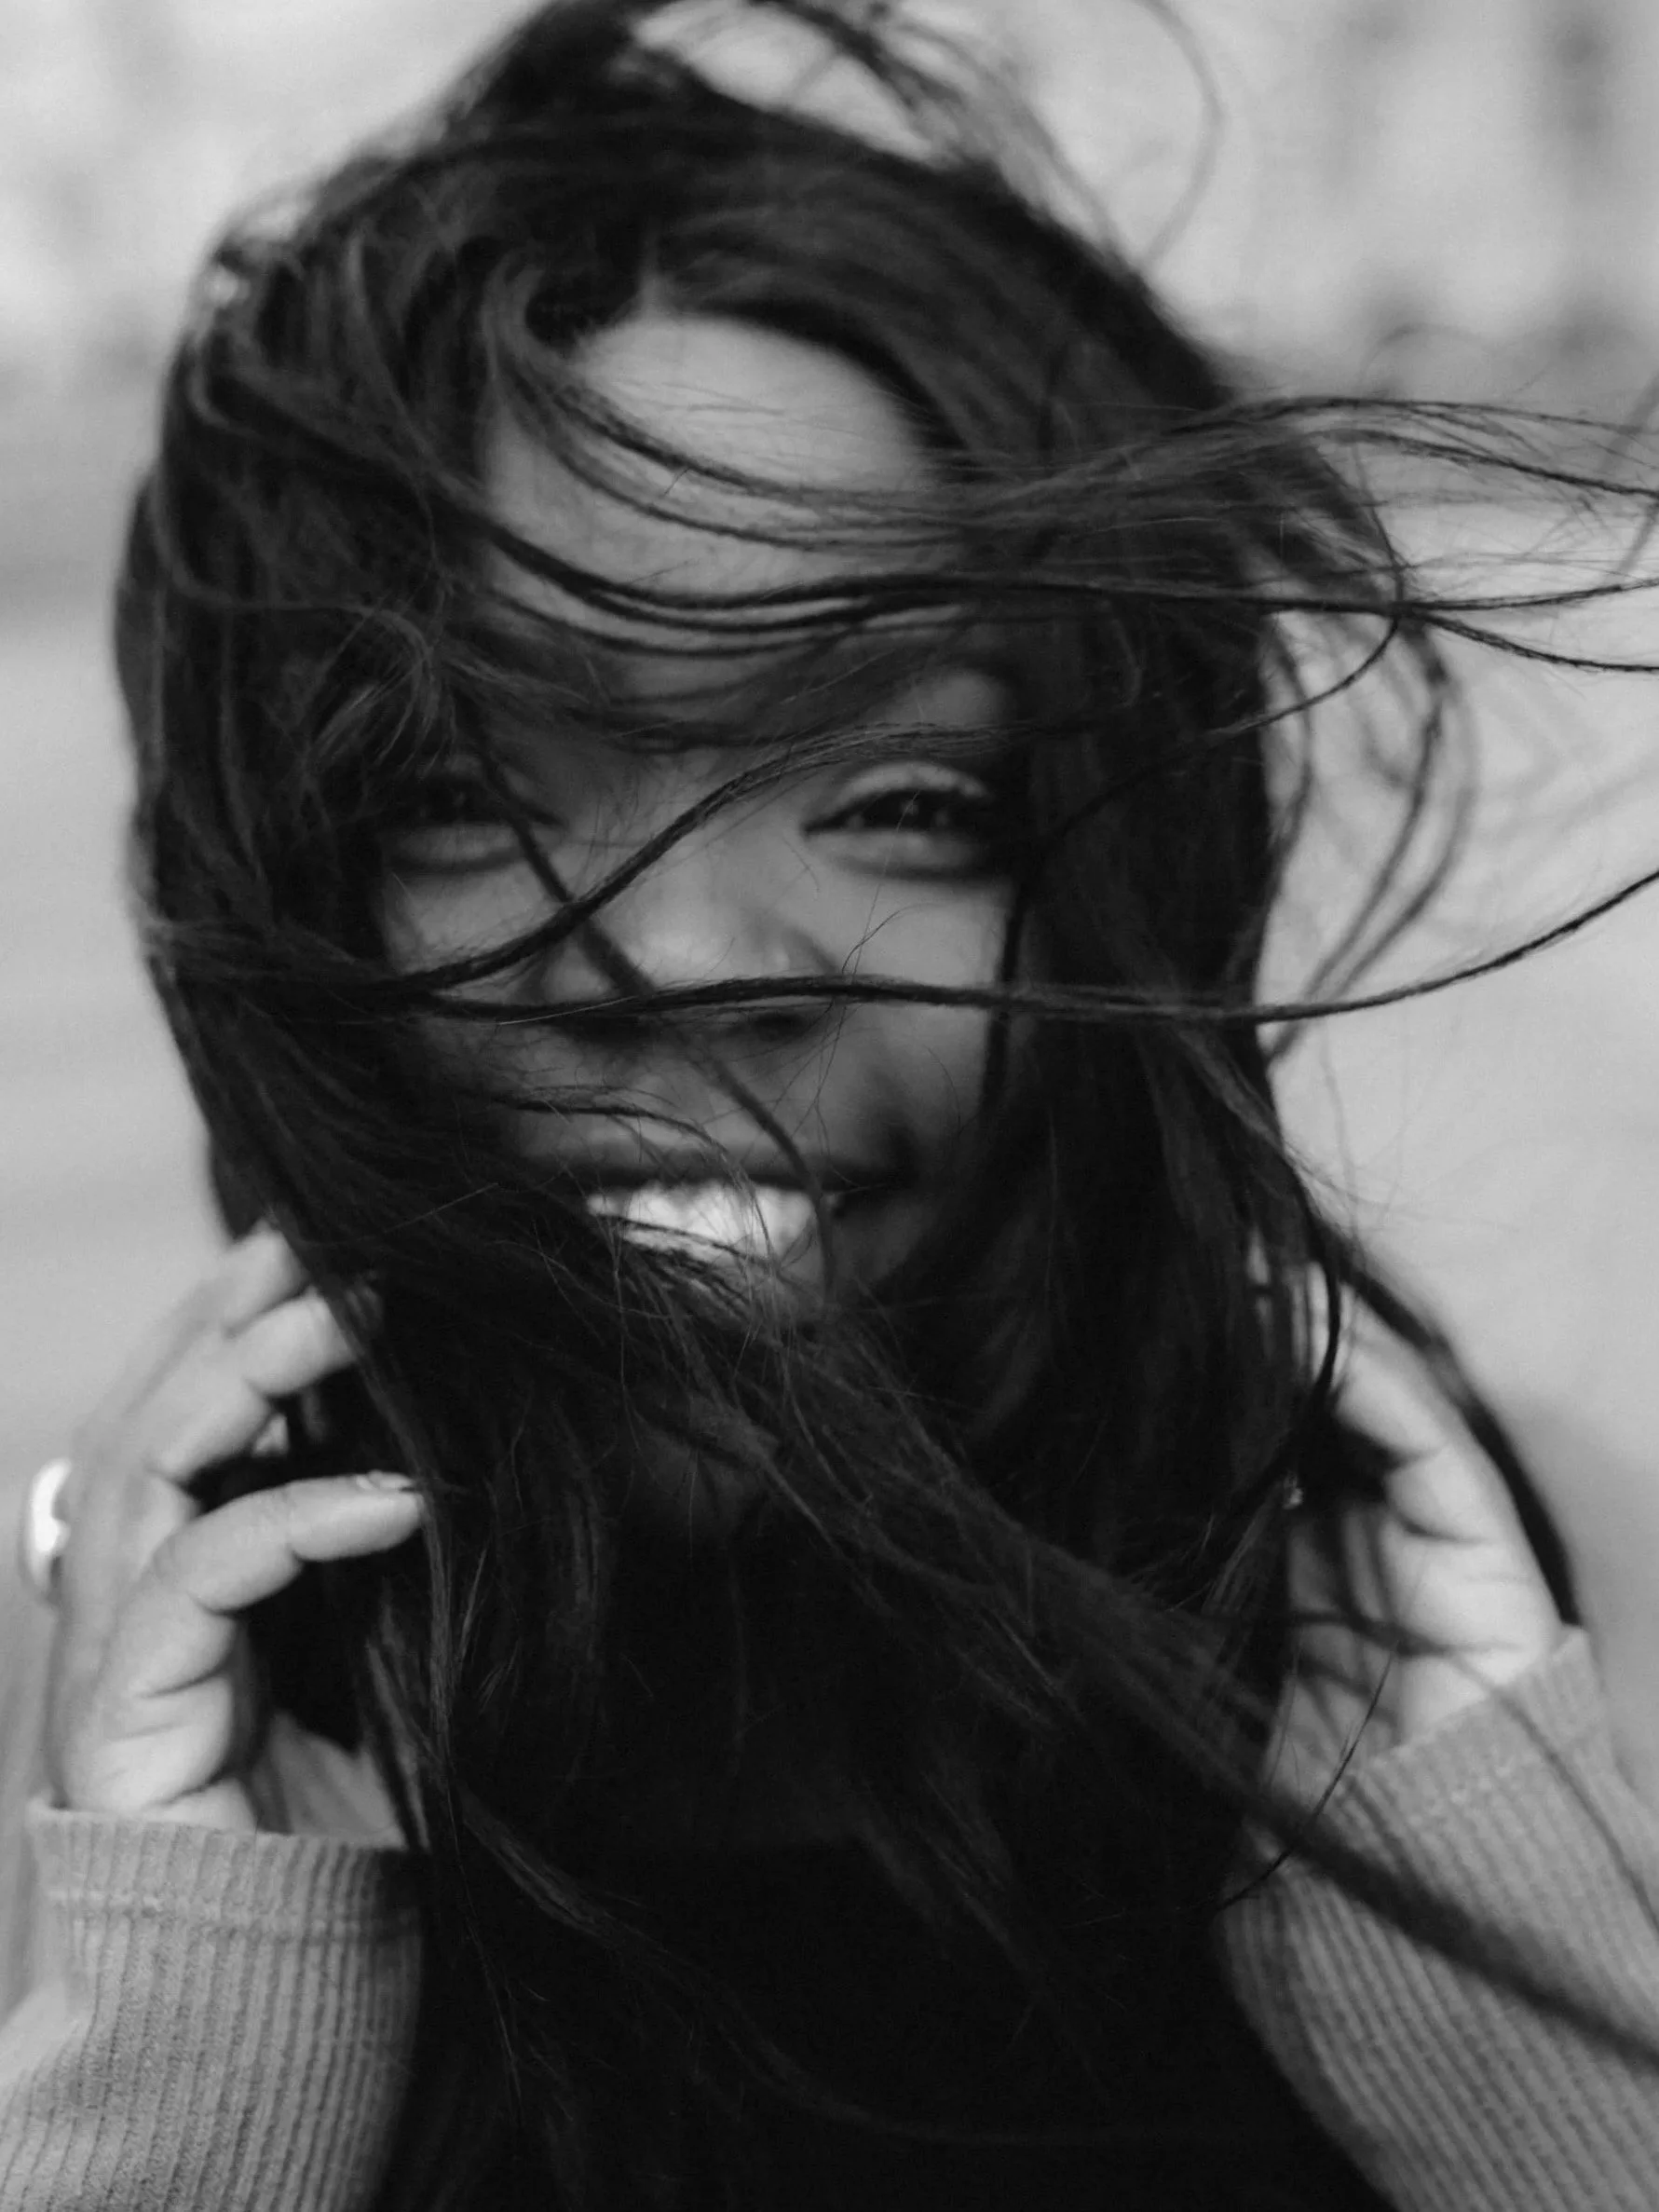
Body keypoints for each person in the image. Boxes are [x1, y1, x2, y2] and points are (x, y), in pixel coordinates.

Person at [6, 3, 1659, 2206]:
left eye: (899, 799)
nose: (684, 955)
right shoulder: (90, 1817)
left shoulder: (1547, 1657)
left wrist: (1539, 2074)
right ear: (269, 894)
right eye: (461, 795)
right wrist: (176, 2092)